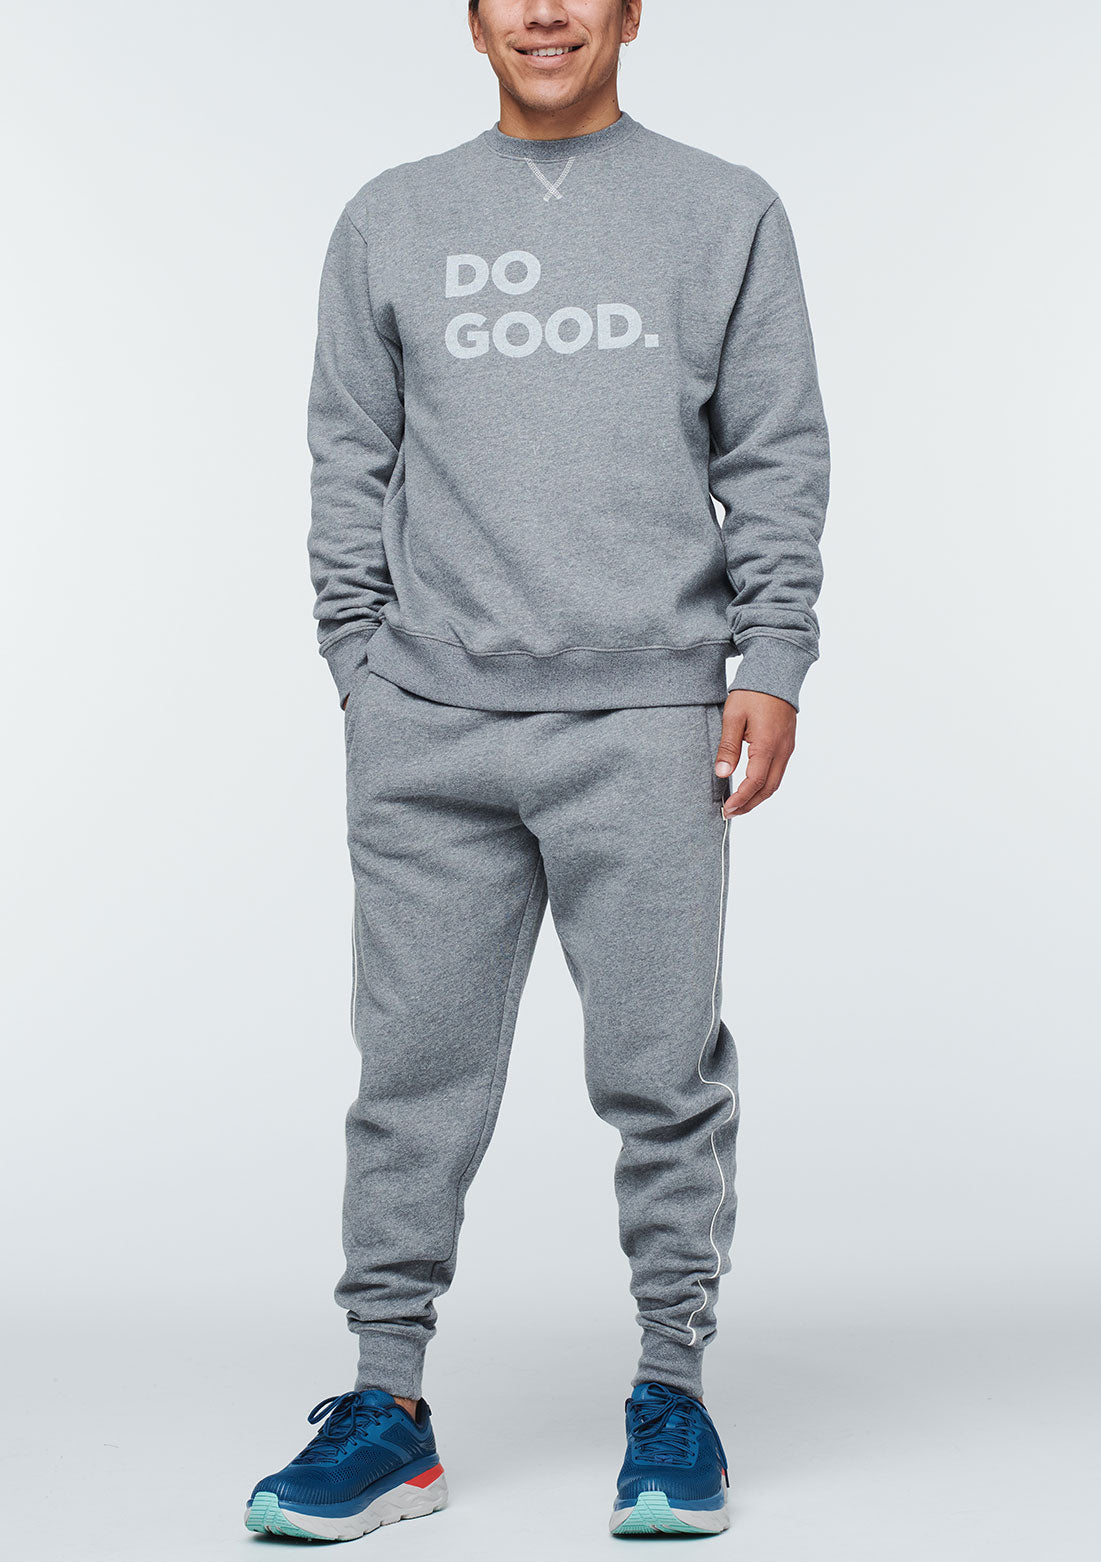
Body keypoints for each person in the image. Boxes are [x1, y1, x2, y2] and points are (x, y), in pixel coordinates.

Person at [245, 0, 829, 1541]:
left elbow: (773, 449)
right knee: (411, 1076)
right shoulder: (391, 218)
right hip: (429, 727)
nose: (545, 10)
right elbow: (347, 452)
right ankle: (385, 1405)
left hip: (645, 718)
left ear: (632, 11)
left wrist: (769, 655)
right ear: (472, 16)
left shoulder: (723, 211)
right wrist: (361, 667)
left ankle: (671, 1393)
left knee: (660, 1070)